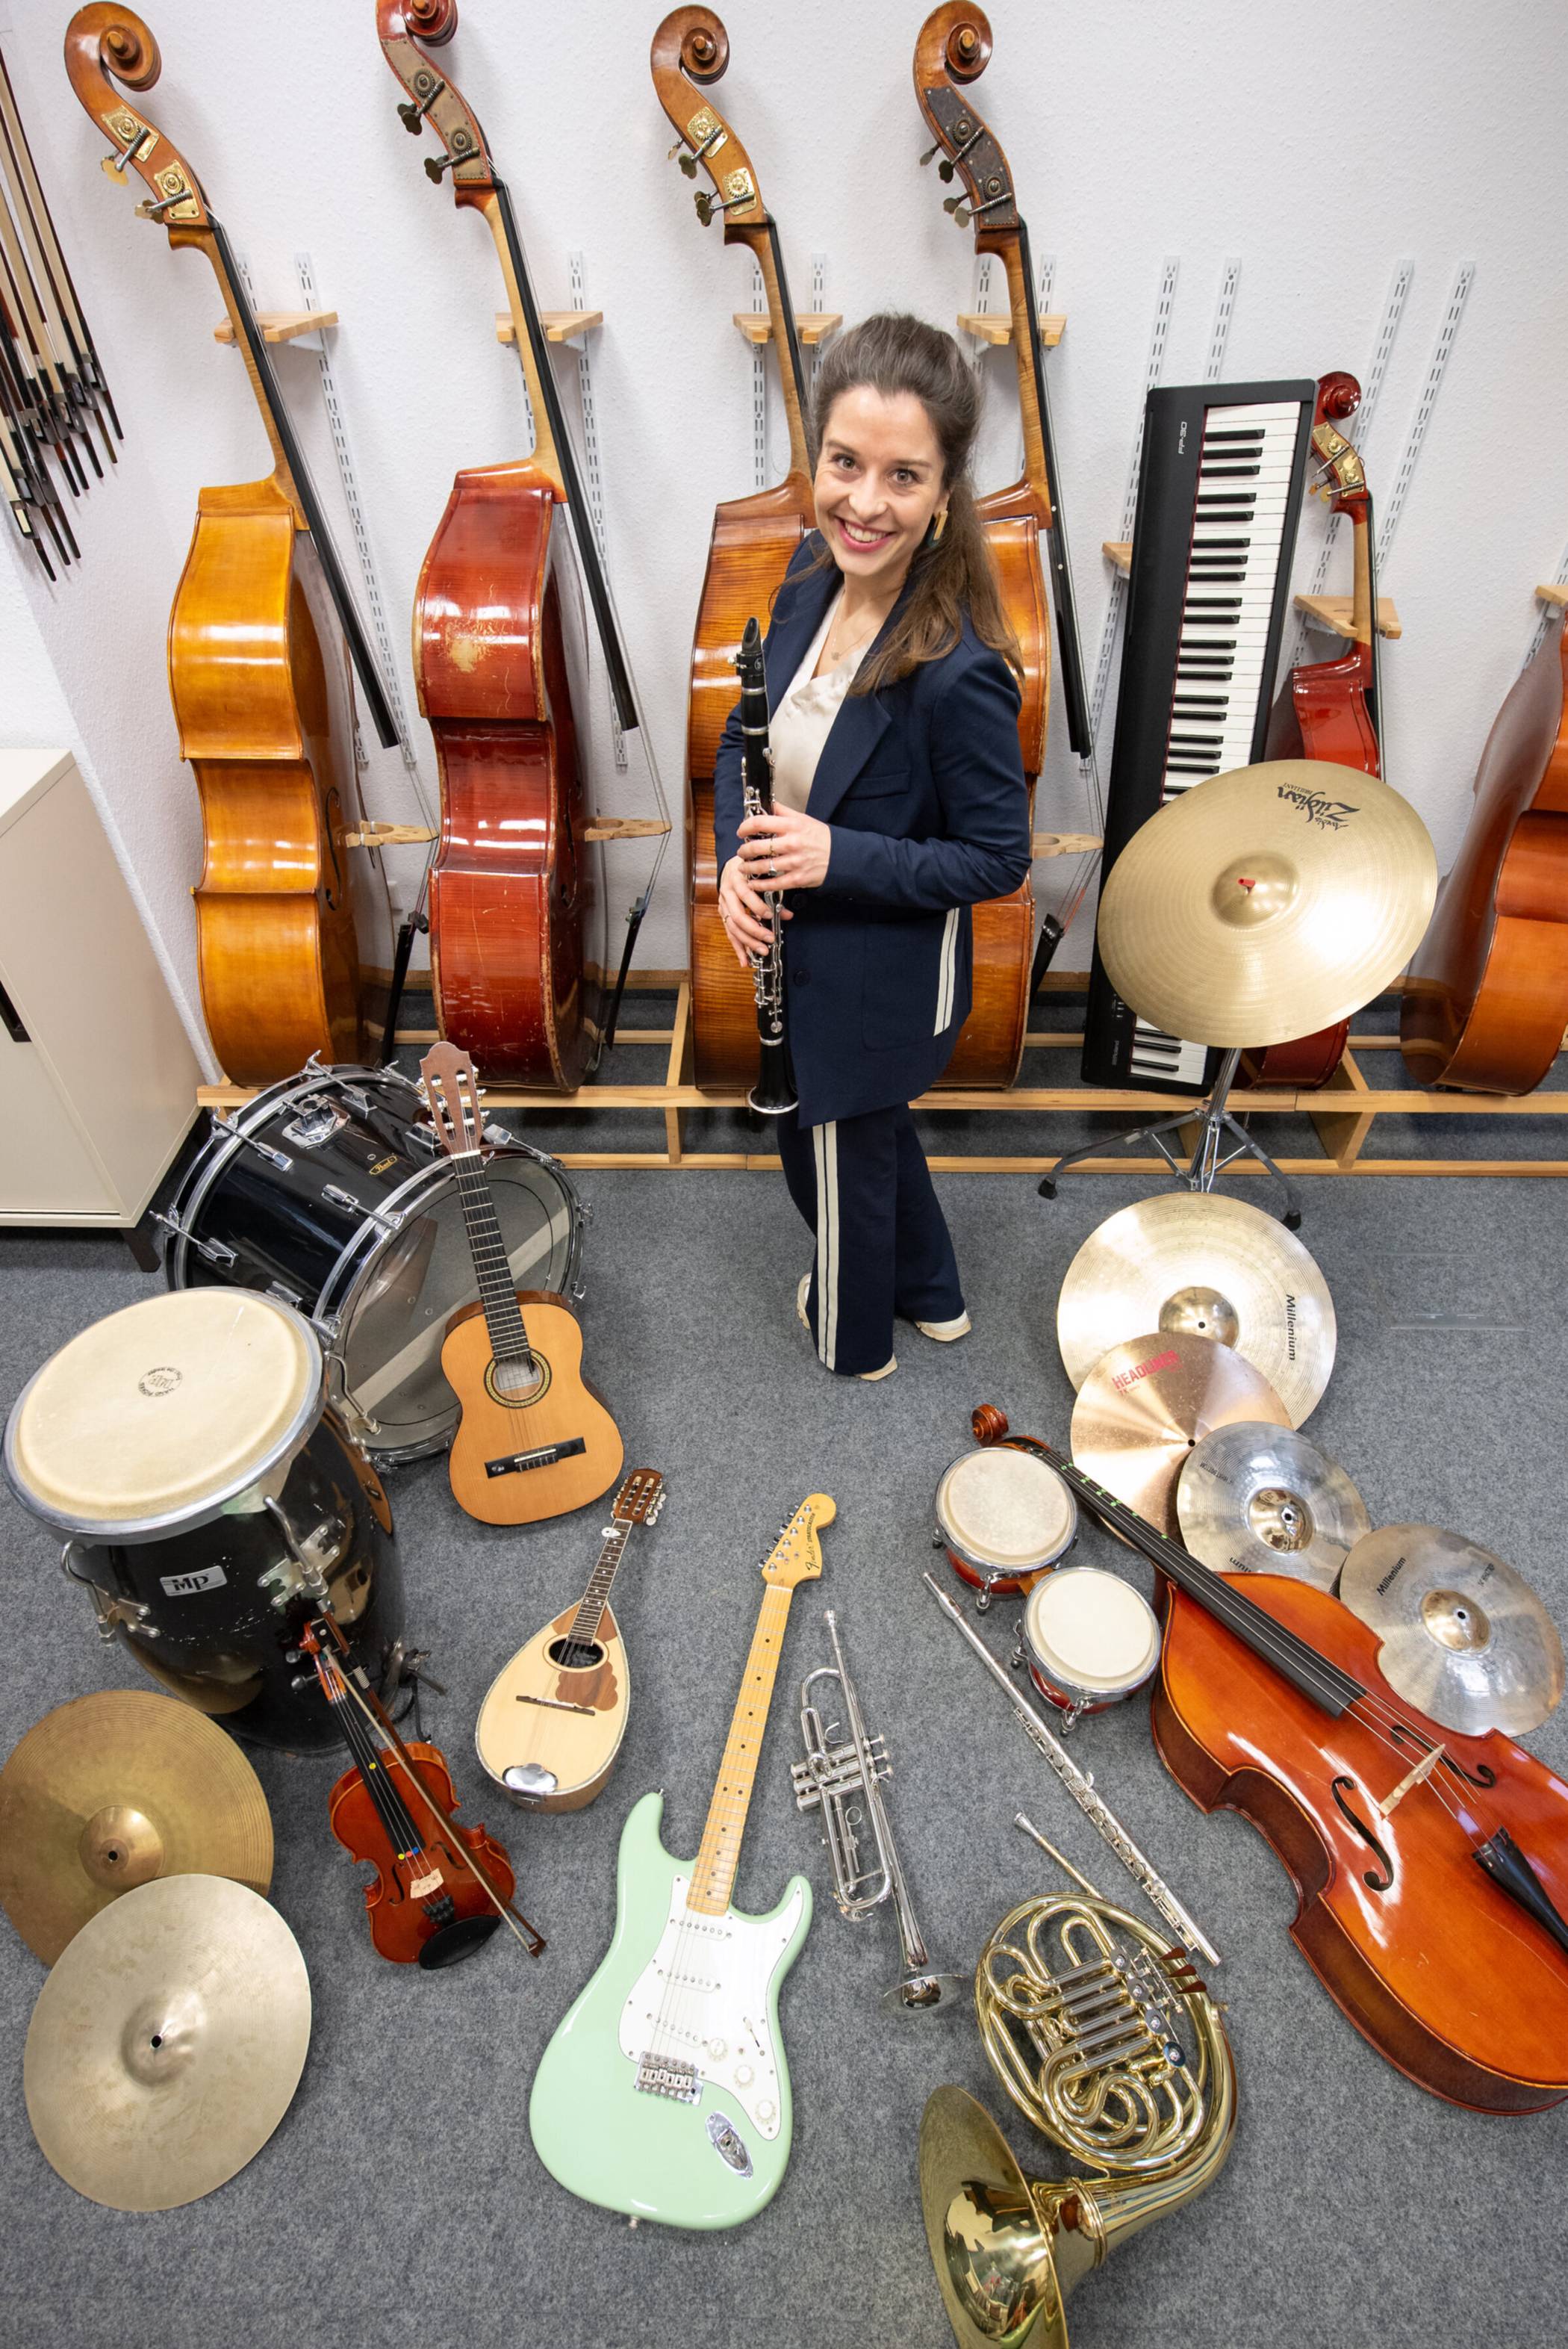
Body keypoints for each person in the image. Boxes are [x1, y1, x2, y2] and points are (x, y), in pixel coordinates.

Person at [713, 312, 1032, 1380]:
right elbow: (738, 740)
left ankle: (855, 1343)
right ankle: (934, 1295)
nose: (863, 502)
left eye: (903, 476)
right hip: (804, 958)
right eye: (845, 463)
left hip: (878, 985)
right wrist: (730, 866)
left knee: (829, 1161)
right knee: (876, 1141)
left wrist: (831, 855)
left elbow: (997, 859)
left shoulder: (960, 668)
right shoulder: (810, 573)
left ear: (944, 492)